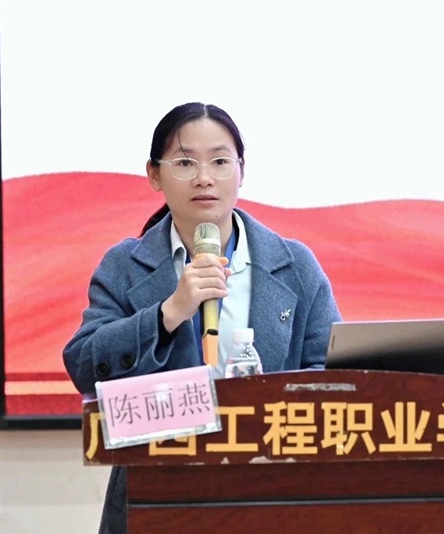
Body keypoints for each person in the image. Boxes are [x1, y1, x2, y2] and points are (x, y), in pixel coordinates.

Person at [63, 102, 341, 533]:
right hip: (159, 497)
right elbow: (84, 363)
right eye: (185, 163)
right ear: (154, 175)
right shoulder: (125, 265)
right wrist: (168, 313)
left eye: (220, 161)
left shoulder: (295, 265)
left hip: (273, 495)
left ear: (242, 172)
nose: (204, 177)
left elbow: (332, 375)